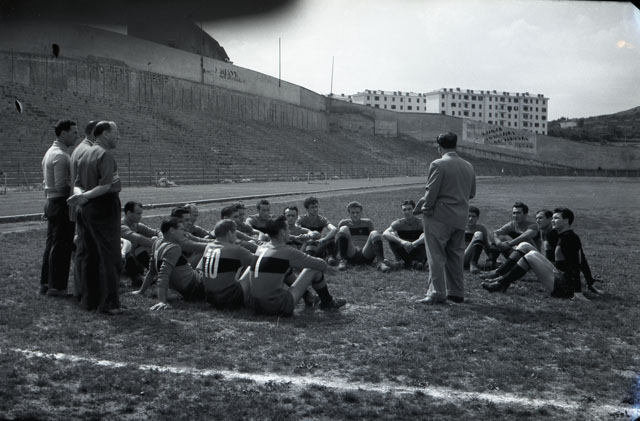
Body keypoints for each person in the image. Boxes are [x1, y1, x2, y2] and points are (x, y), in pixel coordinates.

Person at [68, 120, 123, 314]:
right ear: (105, 133)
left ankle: (89, 300)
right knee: (110, 256)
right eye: (116, 133)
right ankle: (109, 303)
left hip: (86, 209)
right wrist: (86, 195)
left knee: (89, 253)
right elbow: (106, 186)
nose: (118, 137)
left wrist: (81, 196)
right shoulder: (104, 155)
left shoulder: (84, 153)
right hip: (104, 208)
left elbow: (77, 183)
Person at [416, 131, 476, 305]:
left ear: (439, 146)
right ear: (456, 145)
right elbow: (471, 193)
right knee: (455, 256)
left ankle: (437, 292)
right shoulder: (468, 166)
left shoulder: (438, 164)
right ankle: (456, 292)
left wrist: (425, 208)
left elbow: (431, 191)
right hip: (460, 217)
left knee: (435, 256)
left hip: (439, 217)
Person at [481, 208, 594, 300]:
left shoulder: (570, 238)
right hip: (558, 276)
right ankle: (501, 280)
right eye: (552, 218)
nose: (553, 221)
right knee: (524, 245)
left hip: (564, 287)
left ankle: (501, 283)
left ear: (566, 221)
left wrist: (578, 292)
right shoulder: (561, 235)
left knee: (530, 256)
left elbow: (577, 263)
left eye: (556, 218)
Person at [249, 215, 346, 317]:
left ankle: (308, 296)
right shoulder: (285, 251)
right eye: (287, 229)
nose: (289, 232)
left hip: (255, 305)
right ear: (282, 232)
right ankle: (328, 302)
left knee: (284, 268)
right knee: (313, 270)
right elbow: (322, 265)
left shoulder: (261, 247)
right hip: (276, 307)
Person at [40, 119, 79, 297]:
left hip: (51, 201)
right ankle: (57, 287)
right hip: (61, 203)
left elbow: (47, 184)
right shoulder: (61, 156)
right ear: (63, 133)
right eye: (73, 132)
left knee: (52, 244)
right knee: (62, 246)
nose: (76, 136)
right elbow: (61, 186)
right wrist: (77, 191)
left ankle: (46, 282)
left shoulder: (50, 152)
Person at [133, 218, 206, 310]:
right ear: (172, 230)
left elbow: (152, 271)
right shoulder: (173, 248)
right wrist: (162, 301)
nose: (184, 233)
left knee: (205, 253)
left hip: (192, 282)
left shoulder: (157, 243)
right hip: (197, 286)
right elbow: (163, 276)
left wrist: (141, 291)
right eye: (181, 229)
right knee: (208, 251)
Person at [197, 220, 256, 310]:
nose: (236, 237)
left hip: (210, 299)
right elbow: (259, 262)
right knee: (253, 267)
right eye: (235, 233)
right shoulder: (236, 249)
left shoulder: (208, 247)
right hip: (230, 300)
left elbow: (199, 269)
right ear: (229, 233)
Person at [69, 120, 98, 299]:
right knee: (86, 251)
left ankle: (81, 289)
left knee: (82, 250)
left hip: (81, 205)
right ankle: (85, 291)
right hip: (87, 207)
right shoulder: (88, 150)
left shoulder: (79, 148)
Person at [335, 201, 391, 272]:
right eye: (352, 213)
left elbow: (374, 240)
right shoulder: (343, 223)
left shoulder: (368, 223)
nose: (355, 215)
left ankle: (380, 262)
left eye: (357, 212)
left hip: (365, 252)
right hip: (351, 252)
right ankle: (343, 260)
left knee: (374, 233)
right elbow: (338, 240)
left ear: (361, 213)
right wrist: (333, 256)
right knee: (344, 228)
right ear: (349, 213)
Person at [486, 201, 540, 267]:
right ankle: (490, 263)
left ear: (525, 214)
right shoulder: (511, 225)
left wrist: (509, 244)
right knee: (499, 238)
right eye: (514, 213)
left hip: (532, 258)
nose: (515, 216)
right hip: (516, 255)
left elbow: (525, 236)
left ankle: (503, 267)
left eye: (518, 213)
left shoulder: (533, 225)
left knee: (524, 242)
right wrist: (499, 243)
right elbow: (493, 234)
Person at [121, 201, 159, 287]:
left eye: (141, 213)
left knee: (151, 241)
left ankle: (153, 273)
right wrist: (160, 245)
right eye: (138, 213)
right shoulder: (121, 226)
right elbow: (138, 239)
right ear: (128, 213)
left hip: (134, 262)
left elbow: (156, 232)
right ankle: (137, 278)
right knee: (142, 246)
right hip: (123, 264)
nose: (140, 216)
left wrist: (160, 237)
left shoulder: (137, 225)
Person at [382, 199, 427, 270]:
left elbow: (430, 234)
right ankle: (414, 264)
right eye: (404, 210)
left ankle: (402, 264)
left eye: (409, 209)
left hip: (416, 249)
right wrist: (402, 242)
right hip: (404, 250)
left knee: (425, 235)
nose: (407, 212)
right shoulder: (399, 223)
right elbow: (385, 233)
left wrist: (413, 244)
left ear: (414, 210)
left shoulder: (420, 223)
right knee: (391, 235)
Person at [296, 196, 338, 264]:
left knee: (330, 236)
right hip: (304, 245)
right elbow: (295, 228)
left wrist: (324, 239)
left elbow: (334, 229)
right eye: (312, 207)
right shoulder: (301, 219)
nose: (315, 209)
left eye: (316, 206)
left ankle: (330, 257)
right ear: (307, 209)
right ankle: (311, 259)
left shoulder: (321, 219)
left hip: (317, 243)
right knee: (310, 241)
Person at [463, 206, 491, 274]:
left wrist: (491, 258)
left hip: (470, 257)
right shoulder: (461, 227)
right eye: (468, 216)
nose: (470, 219)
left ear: (477, 218)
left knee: (479, 233)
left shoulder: (481, 228)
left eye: (473, 216)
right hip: (461, 256)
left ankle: (473, 263)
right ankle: (473, 264)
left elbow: (486, 245)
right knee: (478, 234)